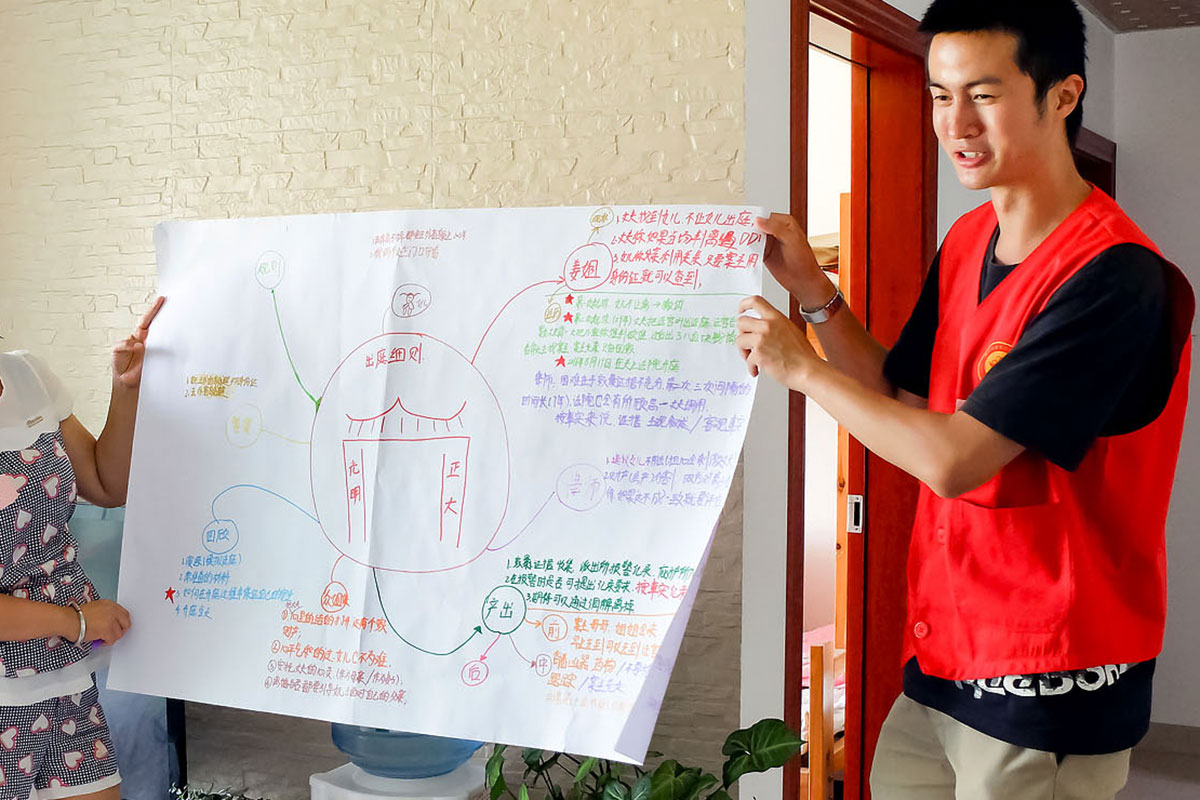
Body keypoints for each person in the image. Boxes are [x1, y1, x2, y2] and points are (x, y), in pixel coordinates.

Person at [735, 1, 1192, 798]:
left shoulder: (1117, 276)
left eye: (983, 94)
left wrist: (802, 371)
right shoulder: (967, 242)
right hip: (943, 654)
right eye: (941, 96)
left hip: (1049, 677)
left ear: (1063, 95)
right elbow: (898, 394)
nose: (956, 124)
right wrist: (812, 292)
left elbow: (954, 460)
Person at [0, 297, 163, 800]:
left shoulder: (26, 375)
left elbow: (107, 485)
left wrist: (126, 388)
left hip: (63, 678)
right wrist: (76, 622)